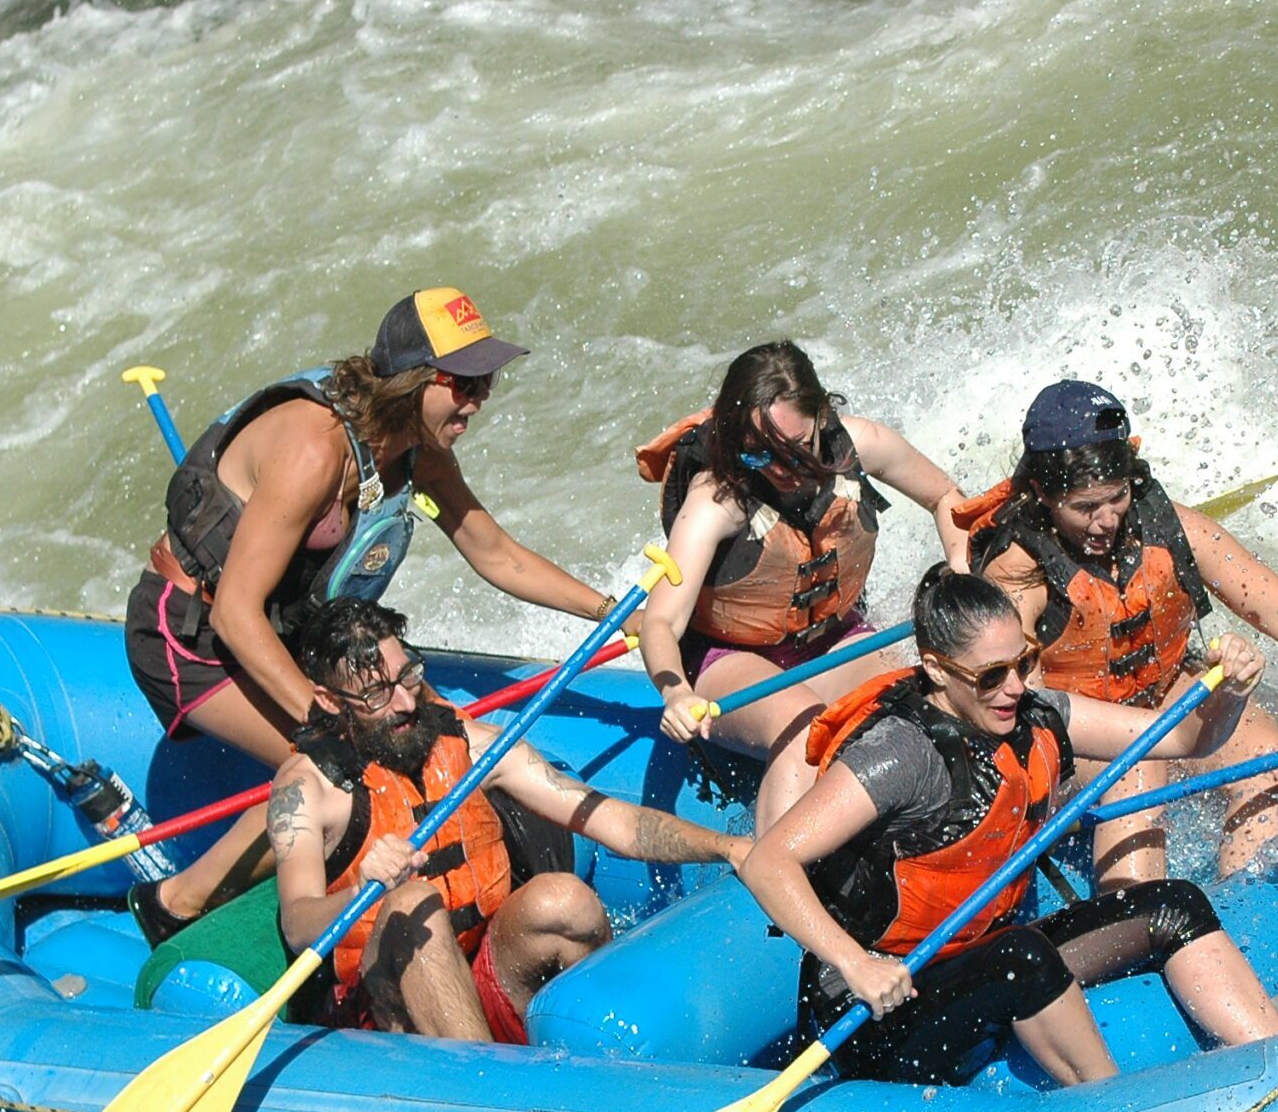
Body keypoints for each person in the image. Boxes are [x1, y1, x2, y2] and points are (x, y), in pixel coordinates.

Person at [125, 287, 631, 943]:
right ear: (412, 383)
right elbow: (236, 614)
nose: (480, 397)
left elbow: (496, 553)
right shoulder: (315, 451)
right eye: (466, 382)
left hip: (281, 629)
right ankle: (175, 902)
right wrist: (321, 717)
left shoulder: (417, 451)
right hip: (190, 635)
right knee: (341, 766)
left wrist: (613, 614)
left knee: (418, 738)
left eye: (489, 378)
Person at [737, 568, 1278, 1088]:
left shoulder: (1036, 712)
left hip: (976, 953)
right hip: (880, 1007)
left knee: (1174, 902)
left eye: (1023, 664)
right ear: (935, 670)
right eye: (990, 676)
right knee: (1022, 957)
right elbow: (769, 861)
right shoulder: (901, 754)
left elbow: (1184, 740)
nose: (1013, 688)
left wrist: (1231, 693)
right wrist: (856, 963)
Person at [261, 598, 747, 1040]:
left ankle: (596, 1063)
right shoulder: (308, 788)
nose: (406, 703)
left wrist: (728, 848)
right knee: (413, 904)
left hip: (477, 973)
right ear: (329, 701)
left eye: (408, 676)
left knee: (564, 900)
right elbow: (299, 925)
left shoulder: (471, 747)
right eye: (376, 696)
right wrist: (360, 888)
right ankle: (480, 1091)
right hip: (383, 1013)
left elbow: (612, 820)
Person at [960, 380, 1278, 886]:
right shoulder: (1017, 575)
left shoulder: (1171, 527)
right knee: (1135, 775)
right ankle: (1136, 922)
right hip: (1074, 727)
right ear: (1044, 495)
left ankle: (1248, 902)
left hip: (1163, 690)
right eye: (1085, 507)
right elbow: (1025, 710)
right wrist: (1143, 741)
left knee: (1264, 757)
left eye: (1117, 497)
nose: (1105, 521)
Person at [639, 341, 971, 826]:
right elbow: (661, 622)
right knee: (805, 729)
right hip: (730, 663)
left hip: (835, 642)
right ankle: (776, 874)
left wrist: (962, 574)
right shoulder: (715, 500)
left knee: (935, 704)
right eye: (760, 456)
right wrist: (676, 695)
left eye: (795, 451)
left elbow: (946, 498)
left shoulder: (863, 445)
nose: (781, 470)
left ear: (822, 416)